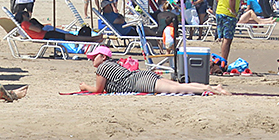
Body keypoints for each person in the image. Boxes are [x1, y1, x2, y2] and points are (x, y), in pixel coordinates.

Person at [78, 45, 229, 95]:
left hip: (140, 82)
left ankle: (211, 89)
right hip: (141, 76)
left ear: (103, 57)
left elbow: (98, 90)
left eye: (95, 56)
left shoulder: (103, 67)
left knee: (177, 88)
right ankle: (213, 87)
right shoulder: (112, 64)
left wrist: (85, 87)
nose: (92, 59)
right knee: (177, 85)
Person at [18, 12, 104, 43]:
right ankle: (93, 39)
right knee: (70, 37)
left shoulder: (24, 24)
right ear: (23, 15)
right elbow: (38, 30)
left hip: (45, 35)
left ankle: (93, 38)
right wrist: (35, 24)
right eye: (27, 14)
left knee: (69, 36)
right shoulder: (25, 23)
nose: (28, 16)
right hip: (44, 35)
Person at [215, 0, 242, 65]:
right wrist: (233, 9)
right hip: (228, 13)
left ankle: (222, 60)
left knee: (223, 38)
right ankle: (223, 62)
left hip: (220, 11)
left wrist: (221, 2)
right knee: (227, 39)